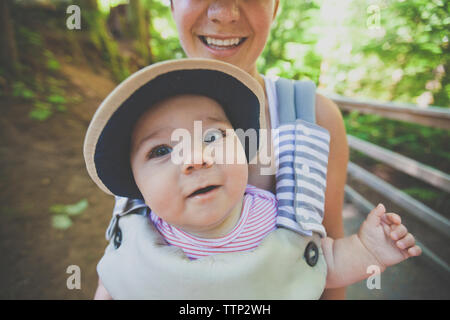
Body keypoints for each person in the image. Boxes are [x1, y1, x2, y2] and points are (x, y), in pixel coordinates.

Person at [84, 59, 421, 299]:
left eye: (213, 137)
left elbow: (320, 265)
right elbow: (114, 282)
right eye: (160, 151)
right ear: (135, 186)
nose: (195, 158)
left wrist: (368, 251)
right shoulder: (137, 234)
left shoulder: (271, 217)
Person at [101, 0, 351, 299]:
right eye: (160, 151)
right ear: (170, 5)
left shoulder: (312, 118)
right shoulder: (135, 114)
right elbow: (121, 257)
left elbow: (328, 265)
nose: (224, 13)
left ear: (275, 7)